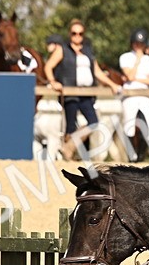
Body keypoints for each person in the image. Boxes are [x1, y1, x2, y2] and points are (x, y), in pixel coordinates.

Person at [46, 19, 121, 160]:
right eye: (74, 33)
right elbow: (48, 66)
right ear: (70, 34)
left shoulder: (88, 51)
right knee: (70, 127)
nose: (77, 36)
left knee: (93, 122)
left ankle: (68, 148)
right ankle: (66, 156)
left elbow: (97, 72)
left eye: (80, 34)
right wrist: (53, 81)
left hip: (87, 93)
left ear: (83, 35)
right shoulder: (63, 49)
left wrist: (112, 84)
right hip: (70, 92)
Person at [119, 27, 149, 160]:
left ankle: (141, 156)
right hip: (130, 95)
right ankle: (131, 156)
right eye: (136, 44)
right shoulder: (125, 57)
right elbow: (129, 76)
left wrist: (136, 78)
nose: (138, 46)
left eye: (141, 44)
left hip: (144, 95)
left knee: (147, 126)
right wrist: (137, 61)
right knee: (129, 125)